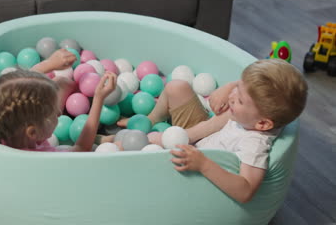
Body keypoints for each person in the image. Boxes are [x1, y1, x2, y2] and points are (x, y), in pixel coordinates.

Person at [122, 59, 308, 203]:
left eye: (240, 100)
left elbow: (246, 191)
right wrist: (228, 88)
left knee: (148, 141)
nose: (232, 97)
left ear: (263, 124)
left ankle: (108, 143)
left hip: (193, 158)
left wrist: (203, 164)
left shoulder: (255, 144)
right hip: (202, 131)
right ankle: (150, 119)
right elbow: (252, 89)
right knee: (177, 87)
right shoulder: (259, 112)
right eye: (237, 89)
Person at [0, 49, 117, 152]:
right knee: (119, 145)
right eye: (53, 114)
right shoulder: (46, 156)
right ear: (33, 132)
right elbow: (82, 148)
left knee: (60, 83)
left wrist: (50, 64)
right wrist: (98, 98)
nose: (59, 113)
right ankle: (101, 138)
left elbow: (14, 90)